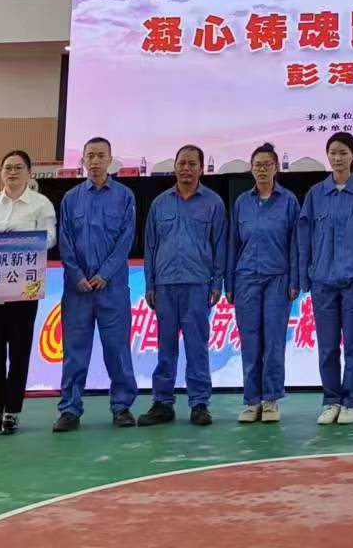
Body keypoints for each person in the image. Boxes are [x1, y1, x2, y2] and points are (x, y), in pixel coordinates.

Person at [0, 149, 56, 437]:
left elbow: (50, 238)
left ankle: (12, 412)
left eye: (19, 167)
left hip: (23, 288)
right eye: (8, 167)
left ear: (29, 173)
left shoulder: (41, 204)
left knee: (18, 353)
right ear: (1, 172)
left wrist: (17, 242)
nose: (13, 172)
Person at [139, 144, 228, 427]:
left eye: (192, 164)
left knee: (196, 347)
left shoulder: (213, 203)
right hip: (165, 285)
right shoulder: (160, 203)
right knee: (165, 347)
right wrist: (150, 283)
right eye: (181, 163)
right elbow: (150, 246)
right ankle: (162, 403)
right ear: (175, 166)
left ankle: (199, 403)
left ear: (201, 168)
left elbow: (220, 245)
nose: (186, 168)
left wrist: (217, 282)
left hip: (198, 285)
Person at [54, 136, 139, 431]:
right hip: (77, 290)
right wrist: (77, 275)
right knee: (74, 351)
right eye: (90, 155)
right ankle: (70, 409)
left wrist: (105, 273)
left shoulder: (125, 196)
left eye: (100, 156)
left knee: (117, 350)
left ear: (110, 160)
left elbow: (126, 239)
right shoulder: (71, 198)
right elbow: (65, 241)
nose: (94, 161)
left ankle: (122, 407)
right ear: (83, 160)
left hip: (111, 288)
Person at [298, 131, 353, 425]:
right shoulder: (315, 195)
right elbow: (304, 238)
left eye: (343, 153)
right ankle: (331, 400)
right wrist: (305, 276)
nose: (337, 158)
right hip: (323, 282)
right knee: (328, 346)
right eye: (333, 153)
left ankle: (351, 401)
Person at [229, 142, 300, 424]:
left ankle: (270, 400)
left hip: (278, 279)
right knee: (250, 341)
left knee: (273, 341)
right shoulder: (241, 203)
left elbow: (296, 244)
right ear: (251, 169)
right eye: (257, 165)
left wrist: (294, 279)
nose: (262, 170)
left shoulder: (289, 201)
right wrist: (230, 283)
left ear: (276, 168)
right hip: (246, 278)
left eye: (267, 165)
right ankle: (251, 401)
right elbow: (233, 244)